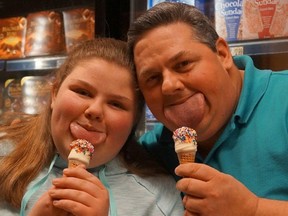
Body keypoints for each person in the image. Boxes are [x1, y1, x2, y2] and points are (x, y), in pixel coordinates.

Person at [127, 2, 288, 215]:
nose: (168, 86)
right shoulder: (151, 151)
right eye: (153, 78)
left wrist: (254, 209)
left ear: (222, 54)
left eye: (183, 64)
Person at [0, 38, 184, 216]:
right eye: (82, 92)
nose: (94, 110)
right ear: (55, 94)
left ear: (134, 121)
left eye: (116, 104)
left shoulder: (159, 197)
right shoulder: (4, 156)